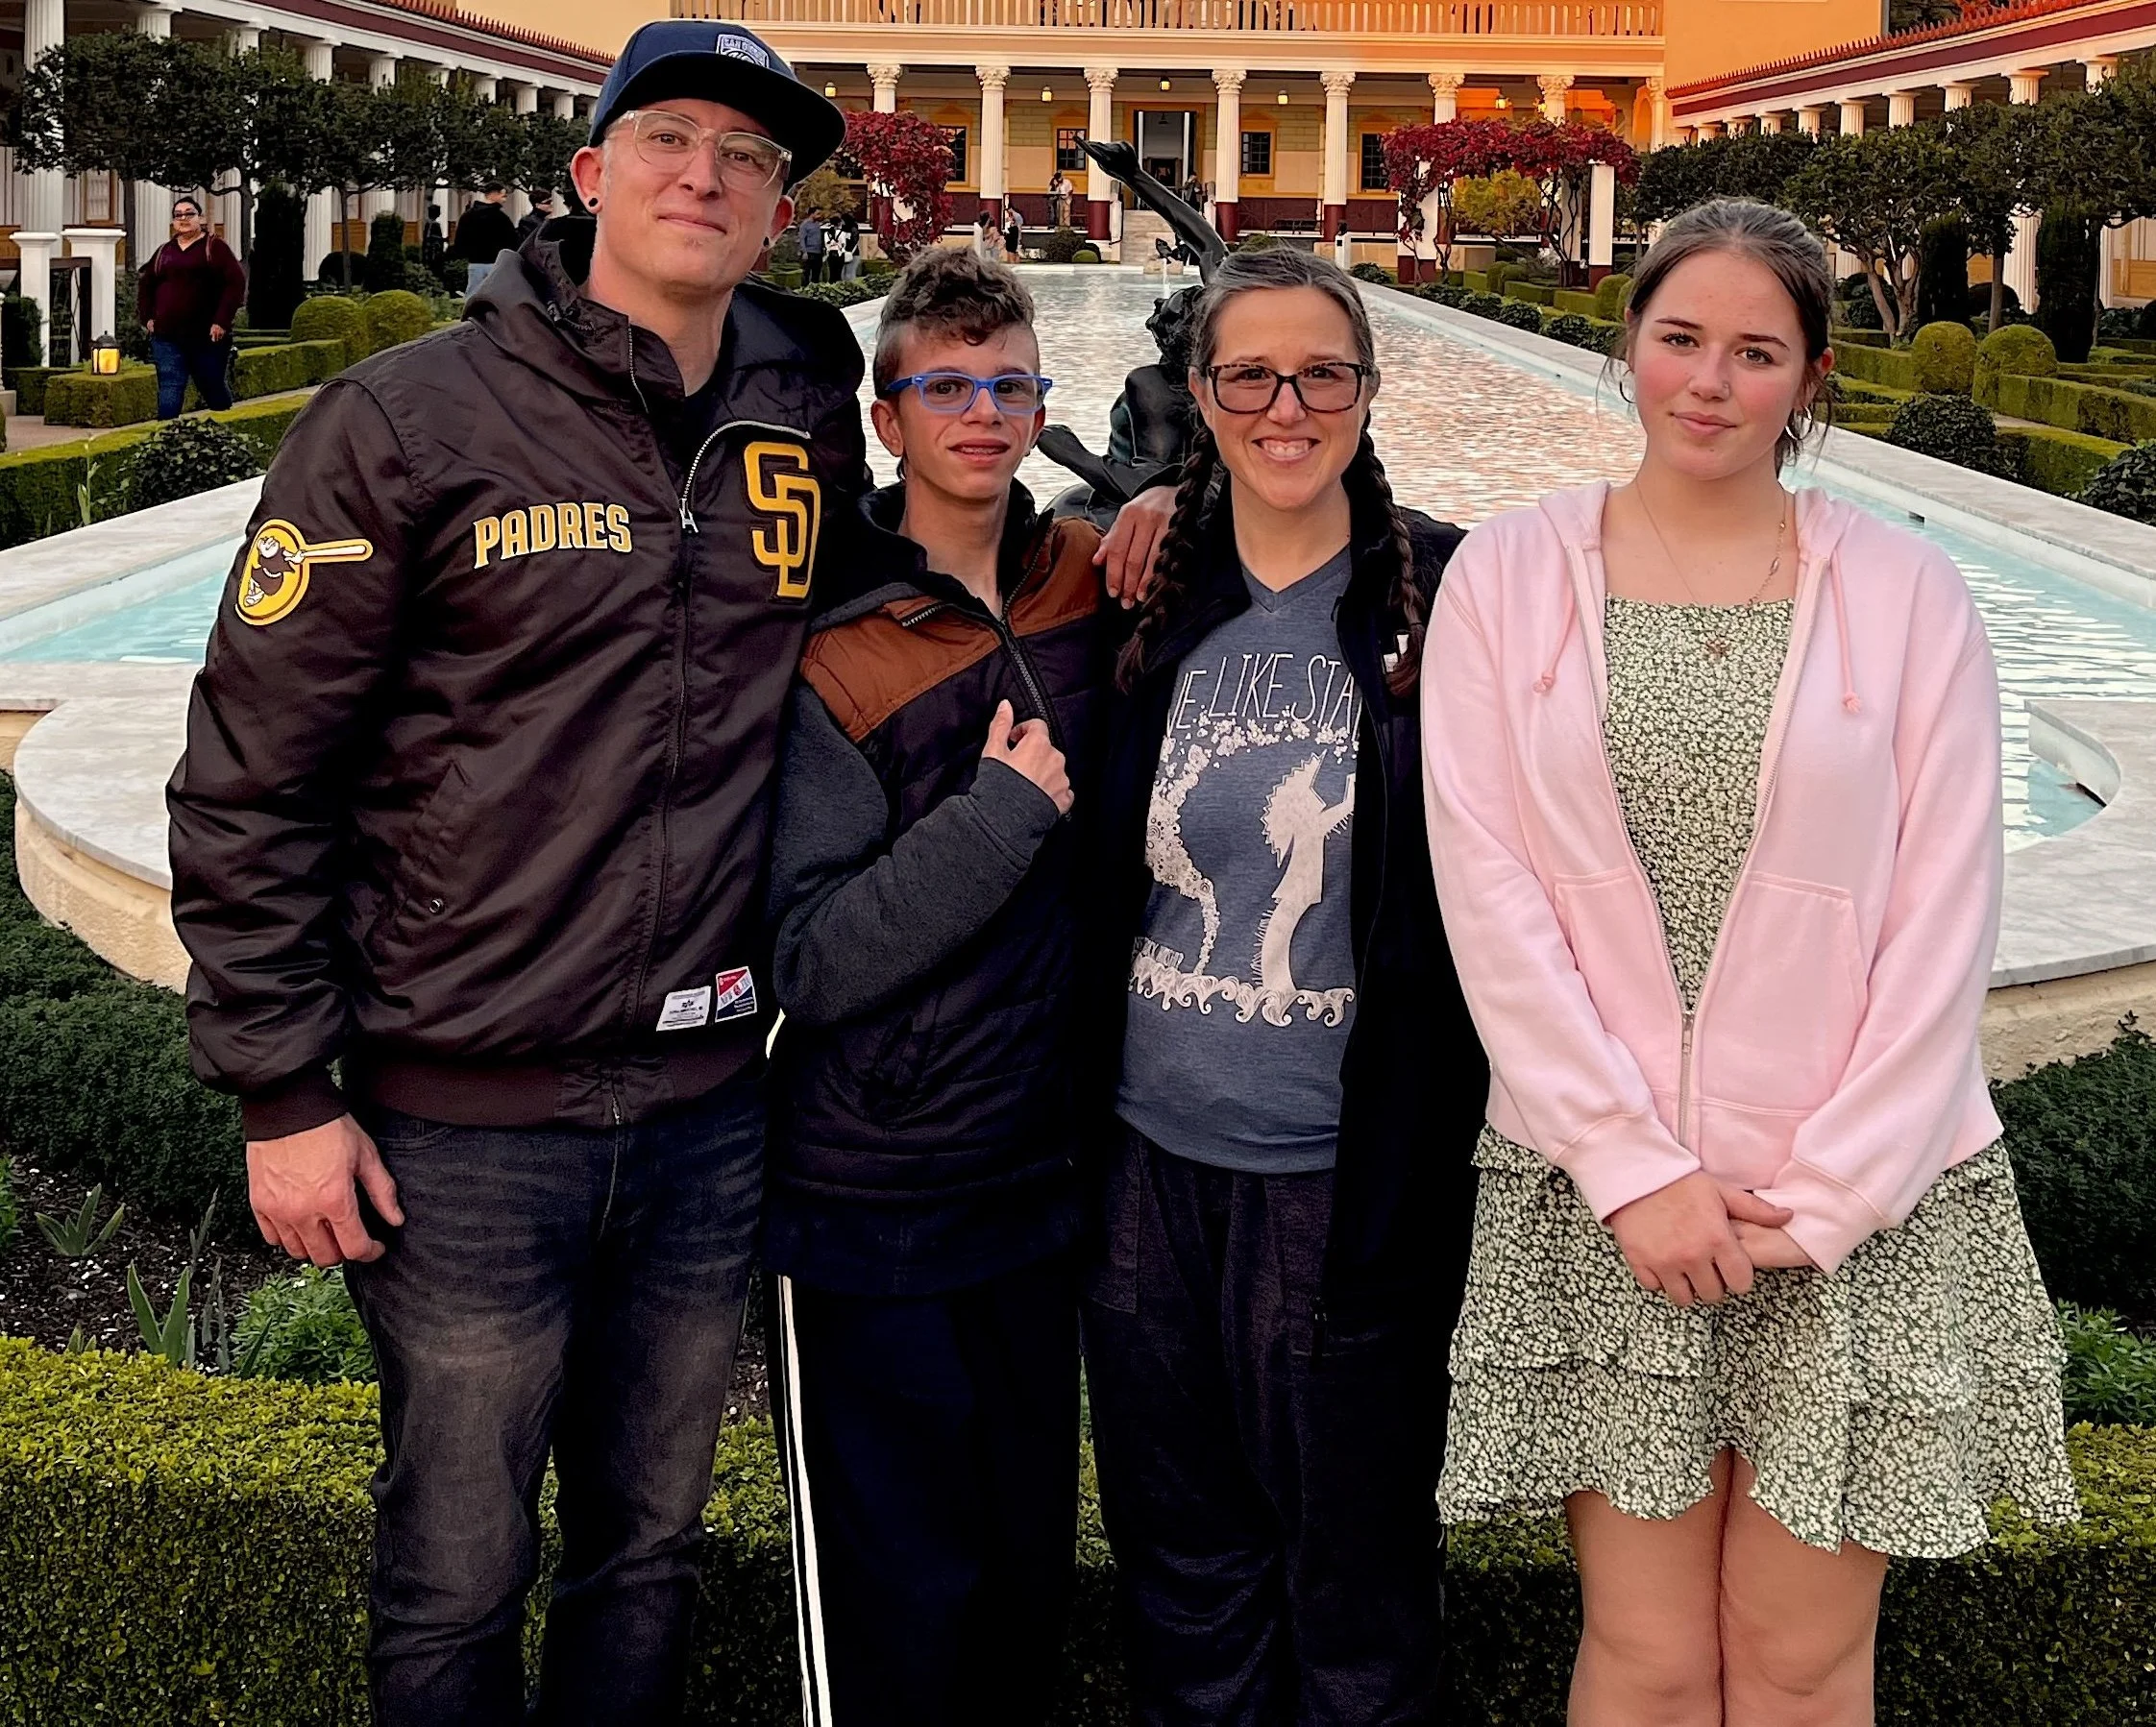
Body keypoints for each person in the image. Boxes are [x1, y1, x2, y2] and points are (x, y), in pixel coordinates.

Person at [168, 23, 865, 1724]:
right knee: (455, 1572)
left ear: (778, 214)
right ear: (589, 173)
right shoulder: (405, 418)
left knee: (648, 1552)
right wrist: (281, 1090)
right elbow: (253, 768)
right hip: (464, 1125)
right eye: (670, 138)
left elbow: (899, 593)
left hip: (705, 1108)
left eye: (749, 157)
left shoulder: (795, 411)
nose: (706, 174)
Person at [1422, 197, 2079, 1725]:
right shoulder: (1508, 575)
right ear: (1629, 347)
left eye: (1756, 351)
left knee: (1800, 1661)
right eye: (1681, 339)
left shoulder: (1908, 592)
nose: (1710, 382)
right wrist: (1627, 1164)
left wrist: (1837, 1191)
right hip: (1607, 1198)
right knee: (1649, 1657)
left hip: (1854, 1203)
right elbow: (1489, 888)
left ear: (1811, 376)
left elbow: (1946, 909)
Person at [1079, 246, 1486, 1723]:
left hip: (1344, 1185)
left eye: (1322, 373)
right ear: (1200, 394)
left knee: (1355, 1587)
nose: (1287, 406)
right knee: (1183, 1574)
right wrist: (1147, 504)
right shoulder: (1141, 589)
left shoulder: (1455, 593)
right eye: (1249, 375)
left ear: (1369, 390)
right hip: (1145, 1177)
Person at [763, 246, 1103, 1727]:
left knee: (1024, 1584)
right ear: (886, 416)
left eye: (1010, 386)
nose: (983, 414)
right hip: (872, 1202)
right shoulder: (831, 642)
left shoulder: (1088, 577)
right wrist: (995, 821)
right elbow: (811, 955)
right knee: (899, 1612)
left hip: (1039, 1185)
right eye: (946, 387)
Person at [137, 195, 244, 420]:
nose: (183, 219)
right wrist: (147, 318)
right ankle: (165, 434)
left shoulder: (214, 247)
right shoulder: (164, 251)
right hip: (167, 335)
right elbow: (146, 285)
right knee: (170, 384)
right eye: (178, 215)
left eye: (189, 214)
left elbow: (235, 284)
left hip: (207, 336)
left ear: (200, 218)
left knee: (211, 384)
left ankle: (226, 428)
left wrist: (221, 321)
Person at [453, 184, 518, 296]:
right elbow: (512, 241)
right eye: (503, 196)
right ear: (494, 194)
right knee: (497, 296)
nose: (505, 200)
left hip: (475, 262)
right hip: (496, 263)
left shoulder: (468, 216)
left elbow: (460, 240)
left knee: (473, 294)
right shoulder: (501, 218)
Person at [799, 207, 828, 280]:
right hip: (809, 252)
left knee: (817, 272)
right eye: (817, 214)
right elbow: (802, 239)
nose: (819, 216)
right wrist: (804, 252)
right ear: (812, 214)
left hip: (818, 252)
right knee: (806, 273)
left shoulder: (817, 224)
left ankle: (814, 286)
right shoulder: (805, 225)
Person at [420, 203, 447, 280]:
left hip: (429, 250)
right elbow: (431, 237)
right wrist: (442, 240)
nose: (440, 213)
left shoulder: (428, 223)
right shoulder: (434, 224)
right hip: (433, 251)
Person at [835, 210, 861, 280]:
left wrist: (849, 250)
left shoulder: (853, 229)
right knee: (842, 273)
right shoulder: (841, 229)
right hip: (843, 253)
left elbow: (854, 241)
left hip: (852, 254)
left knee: (850, 273)